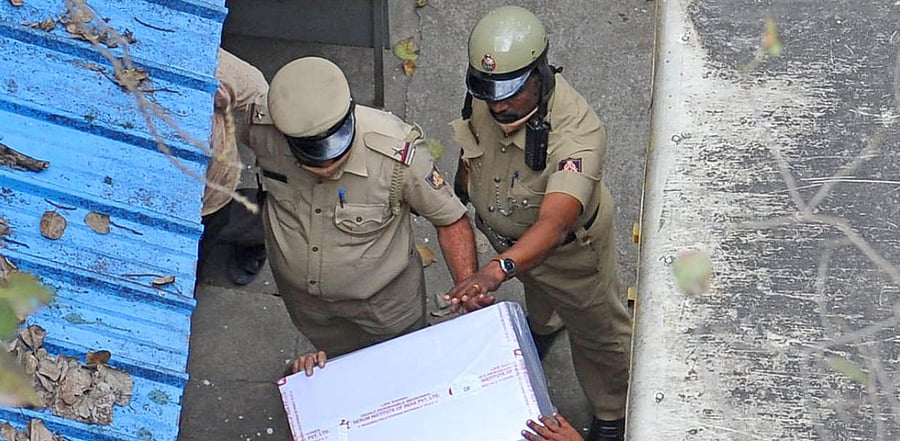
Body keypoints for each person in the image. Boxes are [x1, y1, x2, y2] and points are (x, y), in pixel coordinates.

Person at [444, 6, 632, 441]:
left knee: (599, 334)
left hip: (569, 257)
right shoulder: (487, 97)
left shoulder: (579, 134)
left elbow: (553, 222)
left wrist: (496, 270)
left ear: (539, 74)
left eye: (510, 90)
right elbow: (471, 140)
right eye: (488, 90)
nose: (498, 103)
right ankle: (544, 328)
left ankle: (612, 408)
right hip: (510, 239)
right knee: (538, 297)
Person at [248, 57, 478, 362]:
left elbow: (450, 219)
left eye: (334, 152)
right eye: (313, 157)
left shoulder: (396, 154)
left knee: (404, 365)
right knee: (338, 366)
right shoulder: (260, 127)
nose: (327, 165)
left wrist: (469, 289)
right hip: (306, 305)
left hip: (384, 306)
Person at [199, 48, 268, 286]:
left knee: (222, 224)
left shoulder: (201, 67)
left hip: (214, 194)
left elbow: (258, 93)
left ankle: (262, 235)